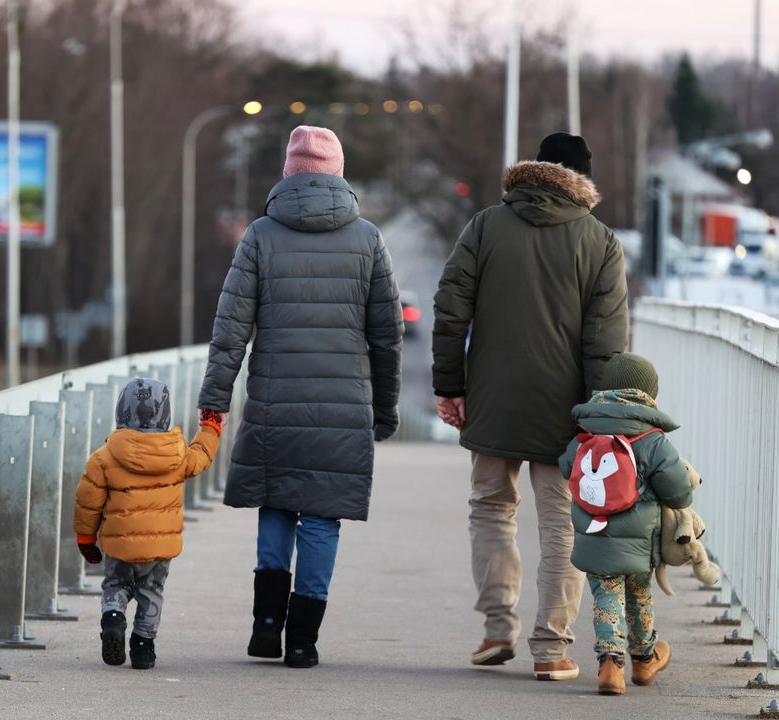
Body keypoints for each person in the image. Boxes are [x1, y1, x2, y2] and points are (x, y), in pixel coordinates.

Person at [198, 125, 403, 669]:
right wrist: (384, 409)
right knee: (321, 518)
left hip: (275, 400)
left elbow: (230, 328)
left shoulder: (260, 234)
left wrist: (214, 398)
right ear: (338, 173)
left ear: (289, 173)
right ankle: (303, 640)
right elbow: (387, 334)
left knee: (277, 502)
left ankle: (266, 626)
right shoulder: (367, 238)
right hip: (343, 406)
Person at [432, 132, 629, 680]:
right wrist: (600, 416)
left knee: (491, 509)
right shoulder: (600, 241)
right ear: (583, 180)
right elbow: (606, 342)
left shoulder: (485, 226)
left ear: (533, 170)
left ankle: (497, 628)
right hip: (566, 410)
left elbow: (451, 310)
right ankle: (551, 648)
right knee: (564, 525)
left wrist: (450, 384)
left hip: (492, 397)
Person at [558, 352, 691, 695]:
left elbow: (565, 466)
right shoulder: (652, 438)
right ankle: (645, 659)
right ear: (648, 393)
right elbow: (678, 491)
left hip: (595, 532)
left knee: (606, 593)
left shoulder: (585, 431)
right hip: (639, 540)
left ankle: (610, 665)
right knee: (639, 595)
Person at [74, 378, 222, 670]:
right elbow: (202, 456)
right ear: (165, 414)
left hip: (120, 545)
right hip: (159, 550)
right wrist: (211, 427)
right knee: (151, 591)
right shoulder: (177, 455)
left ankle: (114, 618)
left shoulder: (103, 458)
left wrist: (86, 539)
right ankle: (143, 648)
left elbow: (87, 501)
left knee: (116, 585)